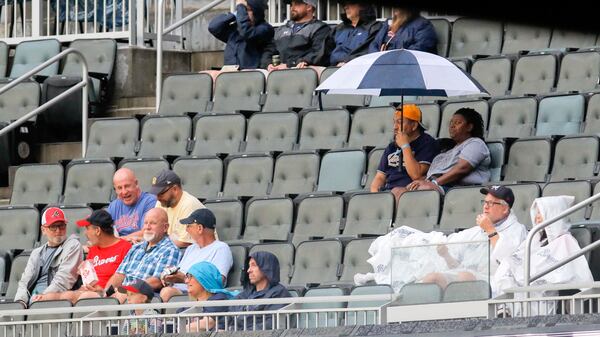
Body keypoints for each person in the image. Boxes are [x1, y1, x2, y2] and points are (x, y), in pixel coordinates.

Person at [493, 195, 593, 315]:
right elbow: (517, 257)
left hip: (543, 295)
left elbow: (575, 272)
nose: (537, 218)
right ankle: (505, 309)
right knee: (506, 264)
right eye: (537, 213)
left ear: (552, 214)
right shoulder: (534, 237)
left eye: (541, 214)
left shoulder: (565, 241)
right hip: (523, 285)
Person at [420, 185, 528, 288]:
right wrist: (446, 255)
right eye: (485, 202)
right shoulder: (475, 231)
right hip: (466, 279)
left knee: (464, 277)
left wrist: (490, 230)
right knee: (432, 278)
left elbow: (509, 263)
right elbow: (457, 268)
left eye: (491, 203)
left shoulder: (517, 231)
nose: (485, 207)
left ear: (504, 209)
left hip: (495, 283)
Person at [51, 210, 132, 303]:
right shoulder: (93, 249)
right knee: (56, 297)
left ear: (97, 230)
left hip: (108, 295)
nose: (85, 233)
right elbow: (88, 279)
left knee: (82, 297)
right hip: (88, 292)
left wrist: (103, 291)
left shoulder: (126, 248)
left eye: (87, 228)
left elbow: (124, 278)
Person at [407, 107, 491, 194]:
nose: (452, 125)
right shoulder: (448, 150)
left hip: (459, 190)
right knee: (400, 191)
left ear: (469, 127)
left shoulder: (476, 143)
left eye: (458, 123)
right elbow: (436, 173)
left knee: (425, 189)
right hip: (438, 186)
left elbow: (462, 168)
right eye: (451, 122)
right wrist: (419, 182)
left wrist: (434, 183)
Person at [156, 208, 233, 302]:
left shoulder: (221, 248)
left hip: (199, 294)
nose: (186, 230)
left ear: (199, 228)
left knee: (166, 292)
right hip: (179, 290)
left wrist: (184, 279)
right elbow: (180, 272)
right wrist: (169, 276)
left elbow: (218, 281)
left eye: (189, 226)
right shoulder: (191, 249)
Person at [106, 208, 181, 303]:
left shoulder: (170, 250)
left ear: (165, 227)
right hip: (124, 292)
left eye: (153, 223)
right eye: (145, 223)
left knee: (120, 297)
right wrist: (106, 292)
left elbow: (158, 281)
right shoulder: (135, 248)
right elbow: (119, 275)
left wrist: (129, 289)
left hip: (145, 295)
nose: (147, 227)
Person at [14, 207, 84, 306]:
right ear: (43, 230)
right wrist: (20, 302)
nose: (58, 230)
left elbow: (64, 280)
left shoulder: (73, 245)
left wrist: (44, 296)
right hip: (33, 300)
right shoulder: (36, 253)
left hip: (54, 301)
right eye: (53, 227)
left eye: (61, 226)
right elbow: (24, 282)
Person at [370, 104, 439, 200]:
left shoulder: (427, 143)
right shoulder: (391, 146)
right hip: (388, 193)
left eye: (399, 122)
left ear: (414, 125)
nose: (395, 127)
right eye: (394, 122)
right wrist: (375, 196)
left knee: (398, 192)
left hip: (409, 193)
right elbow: (380, 177)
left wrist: (405, 146)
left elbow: (416, 175)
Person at [229, 251, 291, 331]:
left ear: (266, 268)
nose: (248, 270)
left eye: (253, 265)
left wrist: (240, 332)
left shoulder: (279, 293)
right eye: (248, 266)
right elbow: (228, 316)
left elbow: (271, 325)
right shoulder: (245, 294)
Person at [263, 0, 331, 70]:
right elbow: (269, 50)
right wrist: (268, 64)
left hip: (303, 73)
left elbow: (319, 53)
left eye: (297, 4)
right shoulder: (281, 29)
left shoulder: (320, 28)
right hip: (279, 72)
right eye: (292, 4)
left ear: (309, 7)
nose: (292, 8)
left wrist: (291, 64)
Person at [208, 0, 274, 69]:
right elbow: (213, 27)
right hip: (229, 73)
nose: (244, 13)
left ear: (256, 12)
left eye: (247, 10)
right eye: (243, 10)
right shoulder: (235, 29)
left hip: (251, 74)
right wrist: (233, 15)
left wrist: (240, 6)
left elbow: (246, 32)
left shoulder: (265, 28)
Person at [151, 169, 206, 248]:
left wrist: (155, 246)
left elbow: (185, 243)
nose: (157, 198)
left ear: (175, 189)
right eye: (156, 194)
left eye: (161, 193)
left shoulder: (189, 205)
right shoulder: (162, 202)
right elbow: (154, 231)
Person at [184, 262, 238, 332]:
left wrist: (181, 329)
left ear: (205, 278)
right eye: (186, 277)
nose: (186, 281)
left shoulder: (219, 299)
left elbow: (208, 323)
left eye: (190, 276)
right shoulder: (186, 307)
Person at [107, 168, 157, 242]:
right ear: (115, 190)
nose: (124, 192)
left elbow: (147, 232)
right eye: (119, 188)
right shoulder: (113, 206)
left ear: (136, 184)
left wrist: (120, 240)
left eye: (127, 186)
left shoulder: (149, 201)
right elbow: (105, 234)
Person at [329, 1, 383, 66]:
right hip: (332, 70)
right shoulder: (338, 29)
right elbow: (325, 54)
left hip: (359, 69)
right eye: (345, 4)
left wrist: (347, 62)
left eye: (350, 3)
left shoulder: (375, 27)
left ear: (363, 6)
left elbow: (369, 52)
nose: (346, 7)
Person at [369, 6, 437, 53]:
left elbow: (416, 52)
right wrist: (377, 56)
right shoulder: (388, 22)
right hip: (382, 65)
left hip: (404, 67)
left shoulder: (423, 26)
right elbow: (374, 44)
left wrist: (389, 57)